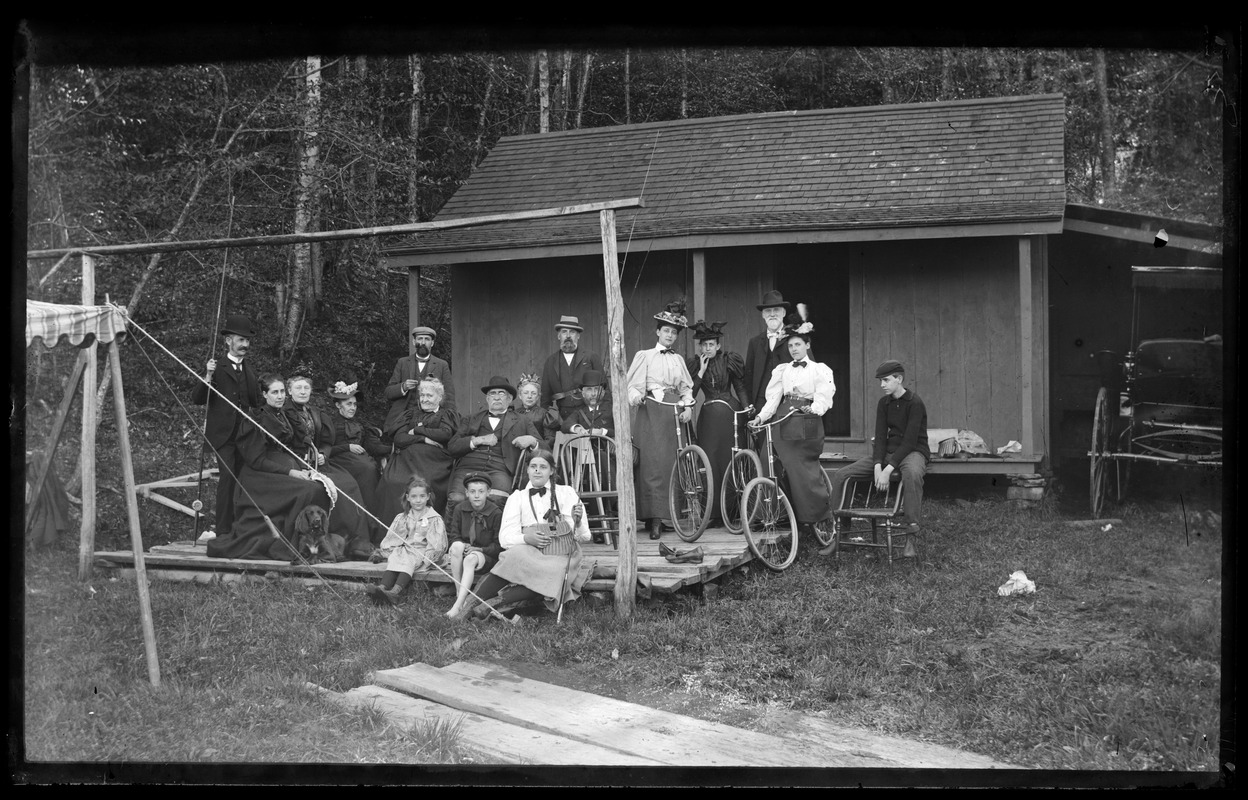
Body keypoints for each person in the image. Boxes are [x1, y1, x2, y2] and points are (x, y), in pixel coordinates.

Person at [206, 373, 338, 561]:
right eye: (274, 392)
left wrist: (302, 467)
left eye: (282, 391)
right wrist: (291, 471)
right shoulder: (255, 420)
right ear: (264, 394)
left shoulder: (282, 415)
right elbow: (257, 460)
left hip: (280, 469)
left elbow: (289, 448)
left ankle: (314, 544)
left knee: (318, 487)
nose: (280, 396)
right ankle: (291, 543)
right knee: (306, 491)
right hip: (259, 477)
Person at [456, 450, 591, 620]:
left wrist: (577, 523)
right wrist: (527, 538)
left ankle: (494, 603)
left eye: (543, 467)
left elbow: (584, 536)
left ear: (552, 471)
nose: (537, 470)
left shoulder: (567, 493)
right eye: (533, 466)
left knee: (553, 571)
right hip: (530, 548)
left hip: (561, 552)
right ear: (527, 470)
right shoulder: (517, 497)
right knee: (512, 556)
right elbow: (505, 538)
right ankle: (470, 605)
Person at [821, 360, 929, 555]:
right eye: (881, 381)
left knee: (912, 474)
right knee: (841, 475)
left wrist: (888, 470)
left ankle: (910, 537)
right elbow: (880, 437)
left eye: (886, 380)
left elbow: (910, 441)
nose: (882, 385)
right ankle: (841, 535)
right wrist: (878, 465)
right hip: (888, 452)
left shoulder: (915, 403)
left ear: (899, 379)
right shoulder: (884, 403)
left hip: (913, 451)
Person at [751, 311, 837, 539]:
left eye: (798, 344)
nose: (794, 349)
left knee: (800, 467)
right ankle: (773, 515)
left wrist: (814, 409)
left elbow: (824, 396)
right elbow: (773, 399)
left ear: (807, 345)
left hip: (805, 420)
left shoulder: (820, 370)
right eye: (790, 346)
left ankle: (815, 516)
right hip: (782, 419)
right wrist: (761, 417)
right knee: (767, 458)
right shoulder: (783, 370)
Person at [626, 299, 695, 540]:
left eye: (674, 332)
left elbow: (687, 390)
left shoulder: (678, 360)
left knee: (672, 463)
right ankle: (653, 518)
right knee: (652, 465)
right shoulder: (644, 356)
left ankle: (670, 516)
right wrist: (638, 399)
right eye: (666, 331)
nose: (670, 335)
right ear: (657, 332)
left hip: (673, 414)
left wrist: (688, 407)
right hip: (652, 412)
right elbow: (632, 387)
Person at [284, 374, 375, 556]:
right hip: (296, 462)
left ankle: (353, 540)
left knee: (349, 482)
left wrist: (324, 454)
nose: (303, 392)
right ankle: (340, 536)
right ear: (289, 391)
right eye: (298, 388)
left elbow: (326, 441)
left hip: (318, 463)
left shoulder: (315, 412)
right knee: (338, 486)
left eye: (306, 388)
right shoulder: (285, 413)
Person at [190, 313, 260, 537]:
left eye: (247, 341)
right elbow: (198, 399)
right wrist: (208, 376)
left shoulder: (249, 371)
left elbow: (257, 401)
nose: (245, 345)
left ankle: (240, 529)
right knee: (228, 478)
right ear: (228, 340)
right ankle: (222, 532)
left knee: (243, 479)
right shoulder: (216, 366)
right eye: (241, 340)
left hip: (244, 436)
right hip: (222, 436)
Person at [686, 320, 751, 526]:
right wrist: (701, 373)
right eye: (704, 345)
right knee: (710, 461)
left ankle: (733, 511)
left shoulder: (729, 360)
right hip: (709, 419)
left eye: (711, 344)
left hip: (731, 414)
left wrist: (747, 408)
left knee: (730, 458)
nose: (708, 348)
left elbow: (740, 387)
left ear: (718, 345)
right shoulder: (696, 364)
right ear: (700, 347)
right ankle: (713, 514)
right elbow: (692, 394)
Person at [446, 375, 541, 507]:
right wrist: (477, 440)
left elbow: (545, 449)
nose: (496, 397)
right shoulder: (471, 418)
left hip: (500, 469)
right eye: (492, 394)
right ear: (487, 398)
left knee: (497, 501)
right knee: (456, 499)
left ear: (509, 399)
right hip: (468, 467)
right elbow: (452, 447)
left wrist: (532, 441)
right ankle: (454, 528)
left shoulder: (522, 421)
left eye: (501, 393)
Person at [321, 375, 391, 543]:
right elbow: (325, 448)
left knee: (371, 470)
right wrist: (347, 447)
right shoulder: (329, 423)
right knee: (366, 469)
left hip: (361, 463)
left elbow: (372, 446)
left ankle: (375, 529)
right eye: (348, 404)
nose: (352, 408)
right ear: (338, 405)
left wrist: (392, 450)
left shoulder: (359, 424)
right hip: (338, 461)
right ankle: (363, 533)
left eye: (354, 404)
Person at [379, 377, 458, 519]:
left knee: (425, 484)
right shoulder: (410, 414)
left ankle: (426, 527)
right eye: (422, 395)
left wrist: (416, 430)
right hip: (406, 461)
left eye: (429, 395)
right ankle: (395, 527)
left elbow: (444, 435)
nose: (425, 399)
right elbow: (399, 438)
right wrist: (424, 438)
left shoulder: (445, 415)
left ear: (439, 397)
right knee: (393, 482)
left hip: (434, 462)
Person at [366, 475, 449, 606]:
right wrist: (392, 549)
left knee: (409, 558)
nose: (418, 500)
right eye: (414, 497)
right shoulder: (403, 517)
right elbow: (395, 536)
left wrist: (429, 556)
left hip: (422, 552)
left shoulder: (434, 518)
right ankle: (382, 588)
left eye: (422, 496)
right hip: (407, 548)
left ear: (428, 497)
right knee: (397, 556)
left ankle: (395, 592)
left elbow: (436, 542)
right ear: (408, 497)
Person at [444, 472, 504, 618]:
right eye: (472, 492)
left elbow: (498, 546)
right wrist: (462, 545)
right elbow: (454, 535)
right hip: (464, 553)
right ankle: (461, 594)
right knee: (457, 546)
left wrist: (480, 549)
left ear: (488, 492)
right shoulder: (460, 509)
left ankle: (457, 605)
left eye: (481, 491)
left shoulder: (495, 513)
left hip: (485, 557)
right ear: (466, 493)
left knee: (470, 559)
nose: (477, 496)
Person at [383, 325, 456, 437]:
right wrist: (403, 387)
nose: (423, 342)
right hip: (404, 416)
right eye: (419, 339)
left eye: (427, 339)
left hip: (431, 417)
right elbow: (388, 392)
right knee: (400, 441)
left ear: (432, 343)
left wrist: (449, 420)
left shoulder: (442, 365)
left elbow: (449, 396)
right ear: (414, 342)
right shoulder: (402, 363)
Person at [540, 314, 608, 421]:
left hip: (590, 414)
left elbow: (605, 389)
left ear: (578, 336)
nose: (568, 336)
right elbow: (545, 398)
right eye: (564, 332)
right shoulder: (550, 361)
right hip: (562, 417)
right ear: (558, 336)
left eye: (572, 332)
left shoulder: (590, 357)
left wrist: (605, 415)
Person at [743, 290, 792, 418]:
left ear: (784, 313)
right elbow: (749, 376)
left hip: (787, 402)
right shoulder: (755, 342)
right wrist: (750, 404)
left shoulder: (795, 339)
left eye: (776, 310)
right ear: (763, 315)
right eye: (768, 311)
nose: (772, 314)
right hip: (760, 402)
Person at [513, 373, 561, 452]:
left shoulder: (545, 414)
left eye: (533, 393)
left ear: (538, 396)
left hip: (538, 453)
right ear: (520, 396)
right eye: (526, 393)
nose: (529, 396)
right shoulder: (514, 414)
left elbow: (550, 442)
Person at [559, 369, 614, 438]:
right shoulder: (579, 413)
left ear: (603, 393)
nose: (593, 394)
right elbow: (565, 425)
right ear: (583, 393)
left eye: (596, 389)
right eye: (589, 390)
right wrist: (577, 428)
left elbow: (621, 431)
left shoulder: (612, 411)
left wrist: (602, 432)